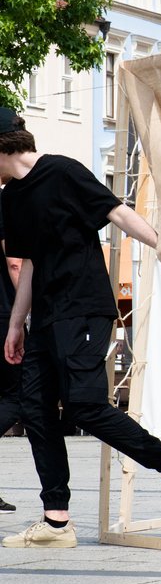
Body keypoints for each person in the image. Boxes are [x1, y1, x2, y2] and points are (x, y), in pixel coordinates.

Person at [0, 108, 161, 548]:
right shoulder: (11, 198)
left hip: (85, 307)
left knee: (85, 406)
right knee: (34, 410)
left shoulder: (63, 171)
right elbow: (29, 261)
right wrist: (17, 324)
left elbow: (117, 212)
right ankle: (56, 521)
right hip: (46, 316)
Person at [0, 202, 23, 513]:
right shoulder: (5, 206)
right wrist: (27, 311)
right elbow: (15, 262)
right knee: (15, 397)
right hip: (4, 314)